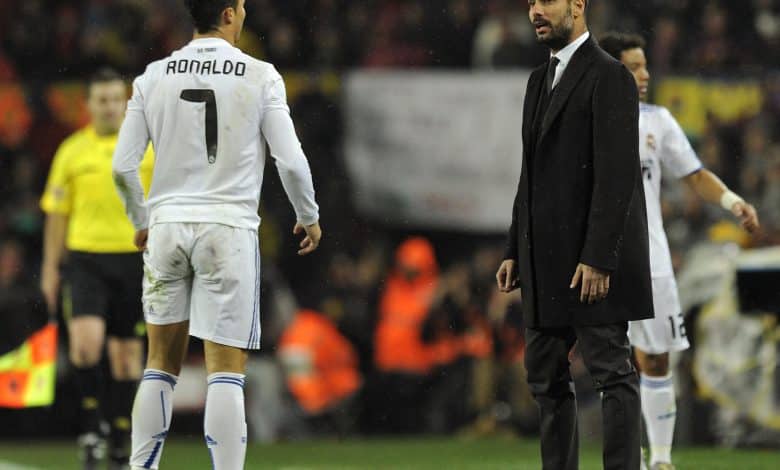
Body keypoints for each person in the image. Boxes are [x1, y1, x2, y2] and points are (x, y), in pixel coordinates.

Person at [111, 1, 321, 469]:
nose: (244, 12)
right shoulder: (260, 75)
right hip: (227, 229)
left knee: (159, 365)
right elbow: (290, 160)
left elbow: (123, 166)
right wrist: (308, 214)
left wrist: (142, 219)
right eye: (241, 5)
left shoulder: (153, 76)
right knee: (225, 373)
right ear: (228, 14)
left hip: (167, 227)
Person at [495, 1, 653, 468]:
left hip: (589, 263)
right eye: (531, 2)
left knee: (612, 374)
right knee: (546, 380)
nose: (535, 11)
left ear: (578, 5)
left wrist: (599, 256)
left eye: (547, 1)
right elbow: (530, 175)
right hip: (544, 261)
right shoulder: (537, 80)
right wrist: (514, 248)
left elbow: (617, 176)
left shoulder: (610, 76)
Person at [599, 32, 760, 470]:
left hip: (649, 258)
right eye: (634, 67)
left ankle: (661, 459)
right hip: (598, 260)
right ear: (612, 71)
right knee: (608, 364)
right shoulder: (585, 120)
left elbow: (695, 174)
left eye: (645, 65)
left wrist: (732, 202)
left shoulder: (657, 121)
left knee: (655, 358)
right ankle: (622, 456)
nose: (645, 74)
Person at [39, 68, 154, 470]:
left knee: (126, 359)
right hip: (86, 260)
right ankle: (91, 430)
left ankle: (121, 436)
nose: (109, 107)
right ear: (87, 105)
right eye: (101, 100)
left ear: (126, 102)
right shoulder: (72, 151)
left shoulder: (148, 148)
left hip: (135, 260)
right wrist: (50, 268)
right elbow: (57, 214)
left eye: (115, 99)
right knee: (86, 346)